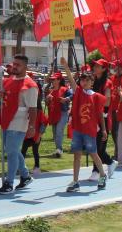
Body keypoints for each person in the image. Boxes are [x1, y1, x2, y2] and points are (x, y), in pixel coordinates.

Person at [60, 58, 107, 192]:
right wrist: (66, 67)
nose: (84, 82)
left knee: (93, 153)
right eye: (83, 80)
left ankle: (102, 175)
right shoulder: (79, 92)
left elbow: (100, 115)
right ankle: (75, 181)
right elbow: (71, 80)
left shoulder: (96, 97)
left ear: (92, 83)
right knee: (77, 155)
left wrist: (103, 130)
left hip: (90, 130)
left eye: (88, 80)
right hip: (78, 129)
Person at [0, 54, 37, 195]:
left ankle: (9, 183)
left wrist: (32, 127)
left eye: (18, 64)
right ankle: (25, 176)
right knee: (12, 150)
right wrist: (1, 94)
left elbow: (33, 108)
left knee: (11, 151)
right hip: (6, 119)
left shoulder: (30, 85)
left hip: (19, 121)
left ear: (25, 67)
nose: (14, 66)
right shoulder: (9, 80)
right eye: (14, 64)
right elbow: (5, 96)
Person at [90, 59, 113, 178]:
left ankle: (96, 170)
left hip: (103, 117)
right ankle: (109, 162)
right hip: (93, 117)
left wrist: (96, 104)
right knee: (93, 145)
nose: (95, 67)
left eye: (98, 66)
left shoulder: (107, 83)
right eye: (95, 65)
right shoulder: (94, 82)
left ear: (104, 69)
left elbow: (107, 101)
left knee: (99, 147)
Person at [46, 72, 72, 158]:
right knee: (55, 132)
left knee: (58, 131)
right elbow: (47, 104)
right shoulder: (51, 91)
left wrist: (66, 99)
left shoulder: (65, 89)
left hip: (63, 113)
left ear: (59, 80)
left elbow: (73, 95)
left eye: (54, 79)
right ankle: (58, 149)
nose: (52, 81)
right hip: (53, 113)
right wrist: (47, 99)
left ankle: (59, 149)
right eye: (52, 79)